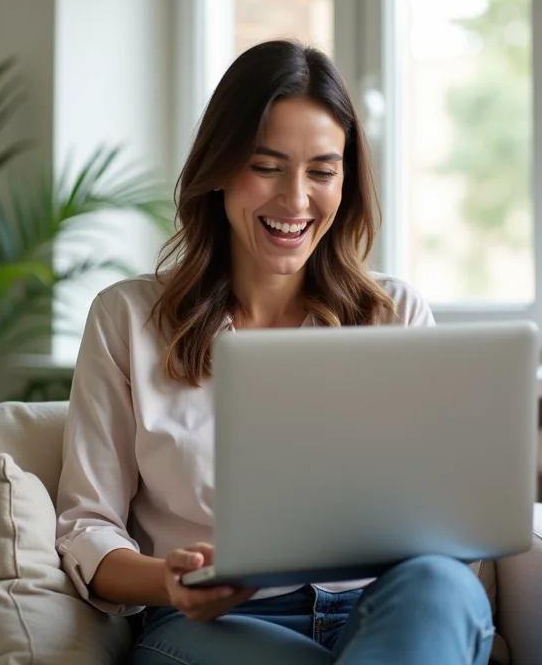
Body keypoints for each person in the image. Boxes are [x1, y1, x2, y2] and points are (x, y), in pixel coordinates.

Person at [55, 39, 494, 665]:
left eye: (321, 171)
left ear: (346, 180)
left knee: (444, 585)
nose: (295, 200)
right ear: (220, 169)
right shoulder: (128, 318)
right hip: (211, 626)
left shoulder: (395, 316)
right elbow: (86, 528)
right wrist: (169, 583)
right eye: (266, 167)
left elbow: (440, 518)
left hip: (385, 614)